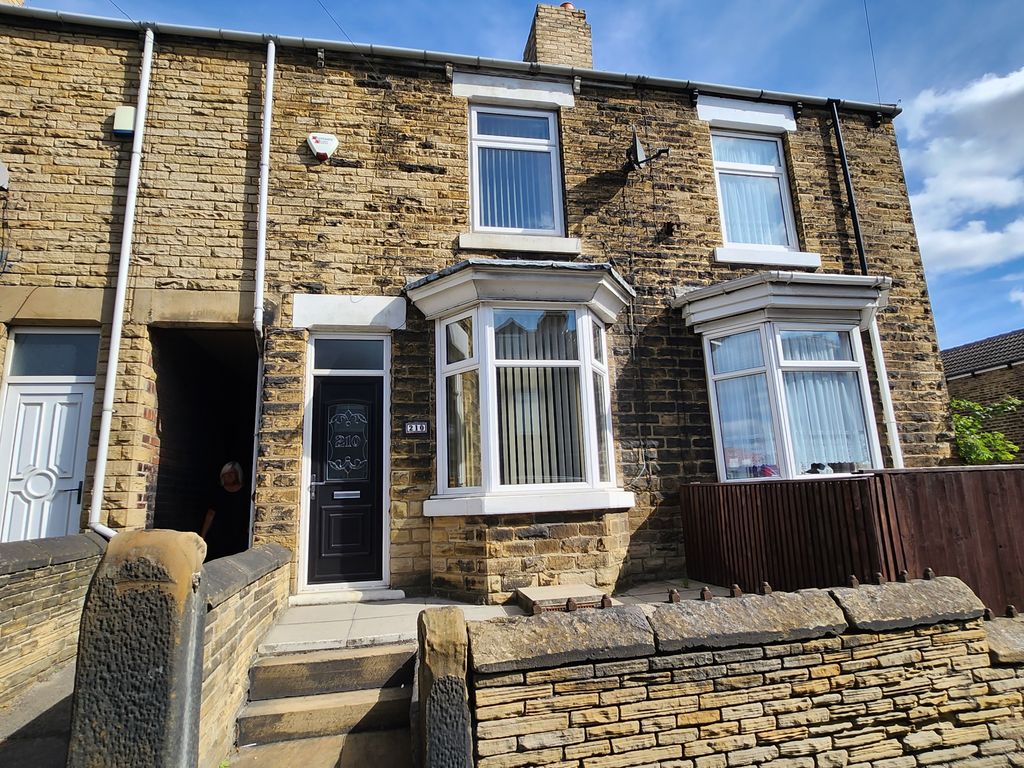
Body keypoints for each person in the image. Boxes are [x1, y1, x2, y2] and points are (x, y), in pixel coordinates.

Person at [200, 461, 250, 561]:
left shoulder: (246, 492)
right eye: (225, 474)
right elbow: (210, 514)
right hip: (219, 534)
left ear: (238, 474)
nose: (228, 476)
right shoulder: (218, 492)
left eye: (231, 473)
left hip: (239, 533)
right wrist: (202, 536)